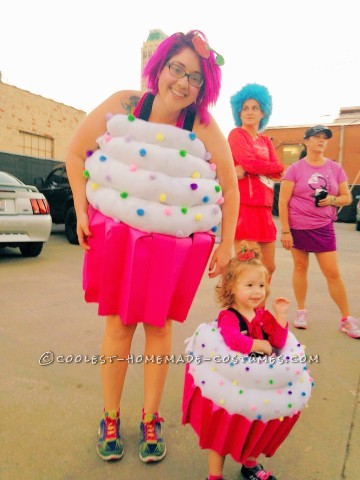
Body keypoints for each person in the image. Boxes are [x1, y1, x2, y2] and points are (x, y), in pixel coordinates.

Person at [65, 30, 239, 463]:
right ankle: (109, 416)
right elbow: (75, 153)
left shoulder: (199, 123)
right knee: (119, 325)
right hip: (120, 236)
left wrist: (227, 242)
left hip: (172, 243)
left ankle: (150, 416)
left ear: (204, 87)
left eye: (194, 78)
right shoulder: (127, 104)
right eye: (176, 69)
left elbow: (230, 187)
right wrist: (82, 210)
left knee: (159, 327)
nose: (182, 83)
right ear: (159, 68)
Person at [182, 244, 313, 480]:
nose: (257, 292)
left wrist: (281, 316)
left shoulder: (262, 315)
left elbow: (279, 340)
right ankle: (215, 474)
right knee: (221, 435)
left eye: (261, 286)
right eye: (250, 285)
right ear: (232, 287)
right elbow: (232, 340)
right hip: (236, 381)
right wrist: (255, 345)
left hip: (261, 381)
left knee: (255, 427)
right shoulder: (229, 316)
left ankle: (250, 463)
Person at [279, 125, 360, 338]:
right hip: (298, 226)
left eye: (324, 138)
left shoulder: (335, 168)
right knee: (300, 266)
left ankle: (346, 318)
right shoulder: (295, 169)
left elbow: (347, 197)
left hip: (323, 227)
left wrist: (332, 200)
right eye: (316, 137)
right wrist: (285, 231)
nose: (321, 141)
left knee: (332, 272)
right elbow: (283, 200)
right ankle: (301, 311)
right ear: (306, 142)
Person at [228, 84, 284, 279]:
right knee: (248, 269)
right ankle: (240, 309)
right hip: (244, 208)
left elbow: (279, 169)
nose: (250, 112)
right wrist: (263, 167)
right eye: (245, 108)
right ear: (239, 112)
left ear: (263, 112)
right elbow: (249, 162)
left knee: (268, 267)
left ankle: (259, 310)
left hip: (265, 209)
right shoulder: (236, 135)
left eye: (255, 108)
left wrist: (255, 168)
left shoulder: (266, 141)